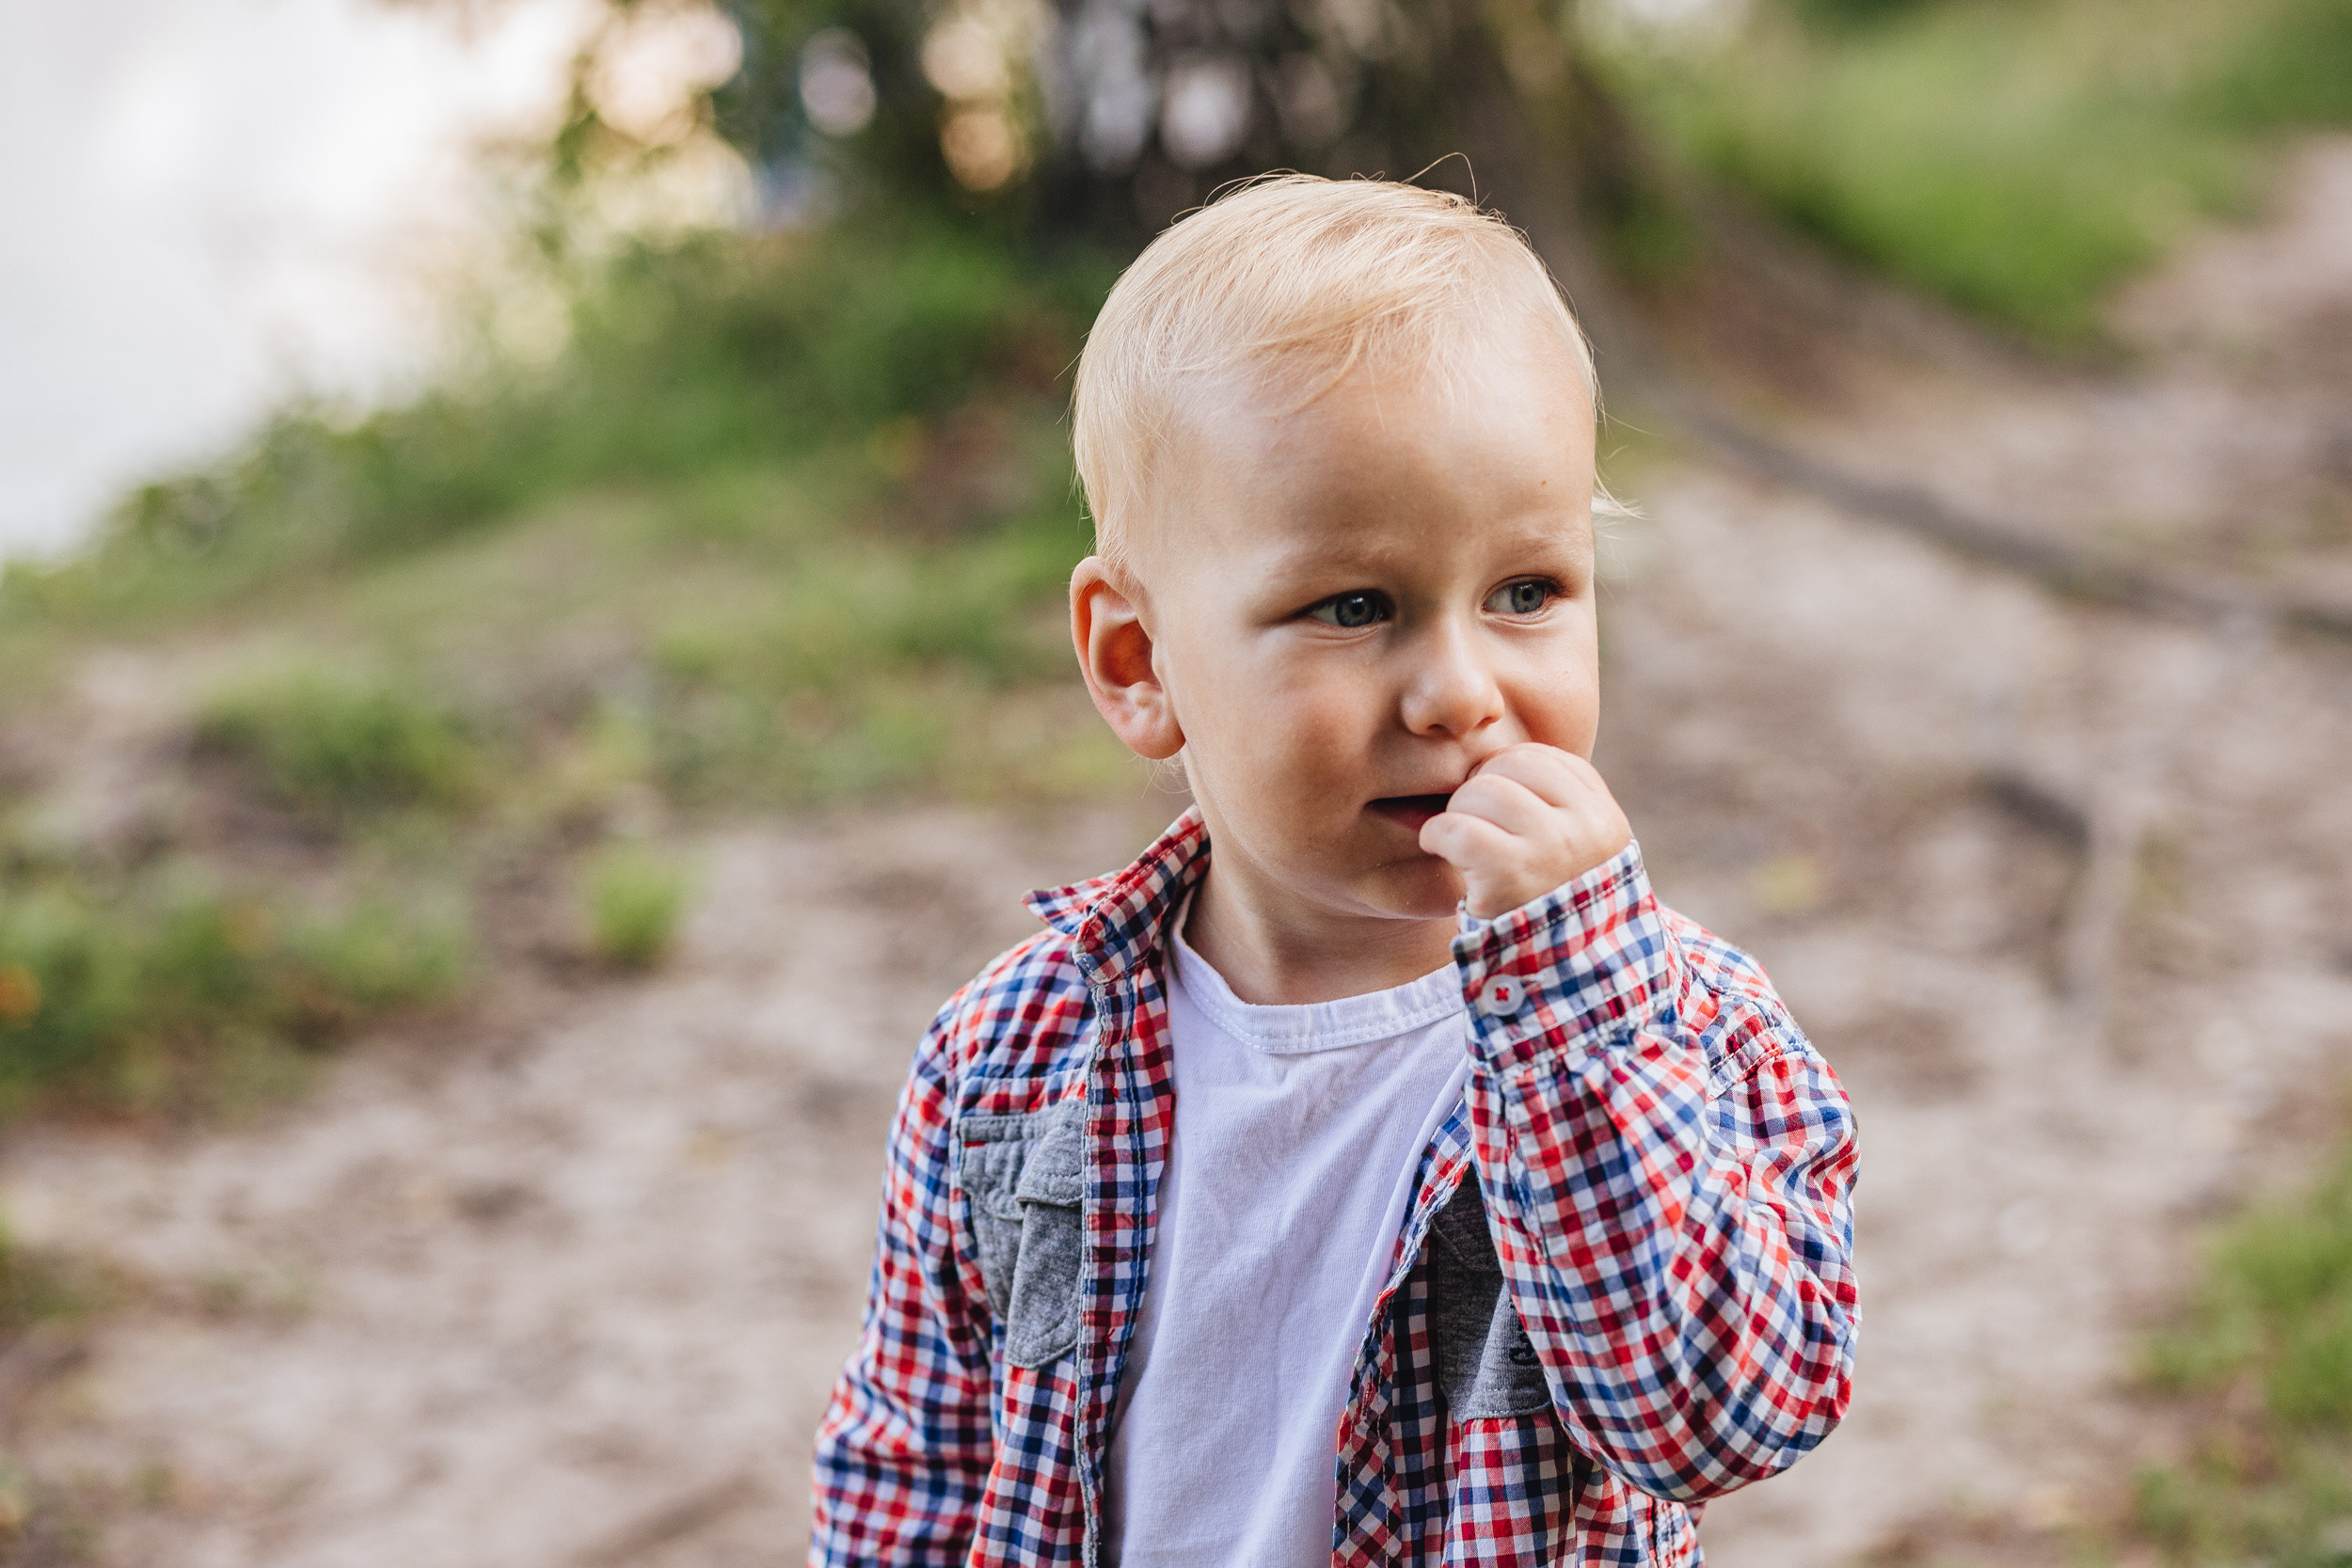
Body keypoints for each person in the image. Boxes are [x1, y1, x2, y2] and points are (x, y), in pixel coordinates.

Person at [809, 174, 1858, 1568]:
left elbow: (1719, 1420)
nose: (1460, 692)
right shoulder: (1005, 1058)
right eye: (1355, 607)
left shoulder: (1682, 1029)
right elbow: (916, 1474)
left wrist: (1576, 1005)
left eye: (1527, 592)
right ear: (1140, 662)